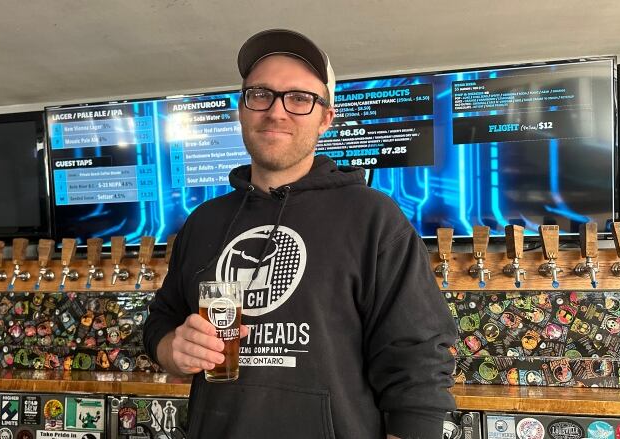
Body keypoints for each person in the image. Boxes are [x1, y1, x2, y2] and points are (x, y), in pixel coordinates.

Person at [143, 28, 457, 439]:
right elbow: (161, 320)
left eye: (299, 98)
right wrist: (172, 349)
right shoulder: (204, 221)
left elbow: (418, 361)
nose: (276, 111)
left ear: (326, 118)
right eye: (260, 94)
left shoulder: (372, 216)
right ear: (242, 109)